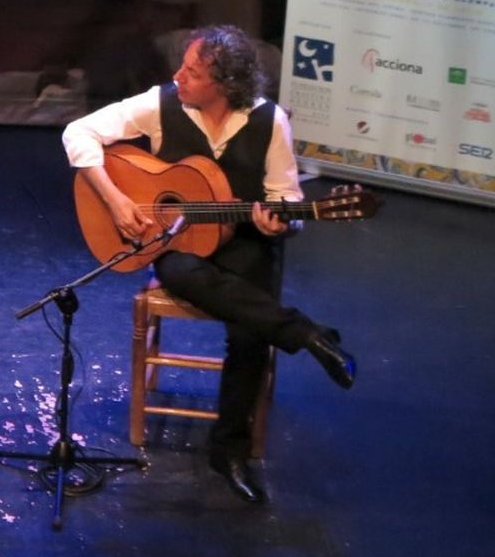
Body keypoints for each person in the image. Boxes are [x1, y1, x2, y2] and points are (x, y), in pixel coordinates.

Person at [61, 26, 356, 504]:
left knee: (249, 332)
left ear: (225, 84)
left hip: (245, 241)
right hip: (180, 245)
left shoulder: (269, 121)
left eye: (193, 73)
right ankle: (308, 335)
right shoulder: (162, 104)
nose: (179, 76)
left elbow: (287, 199)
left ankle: (230, 450)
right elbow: (79, 131)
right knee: (178, 270)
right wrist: (115, 201)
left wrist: (281, 224)